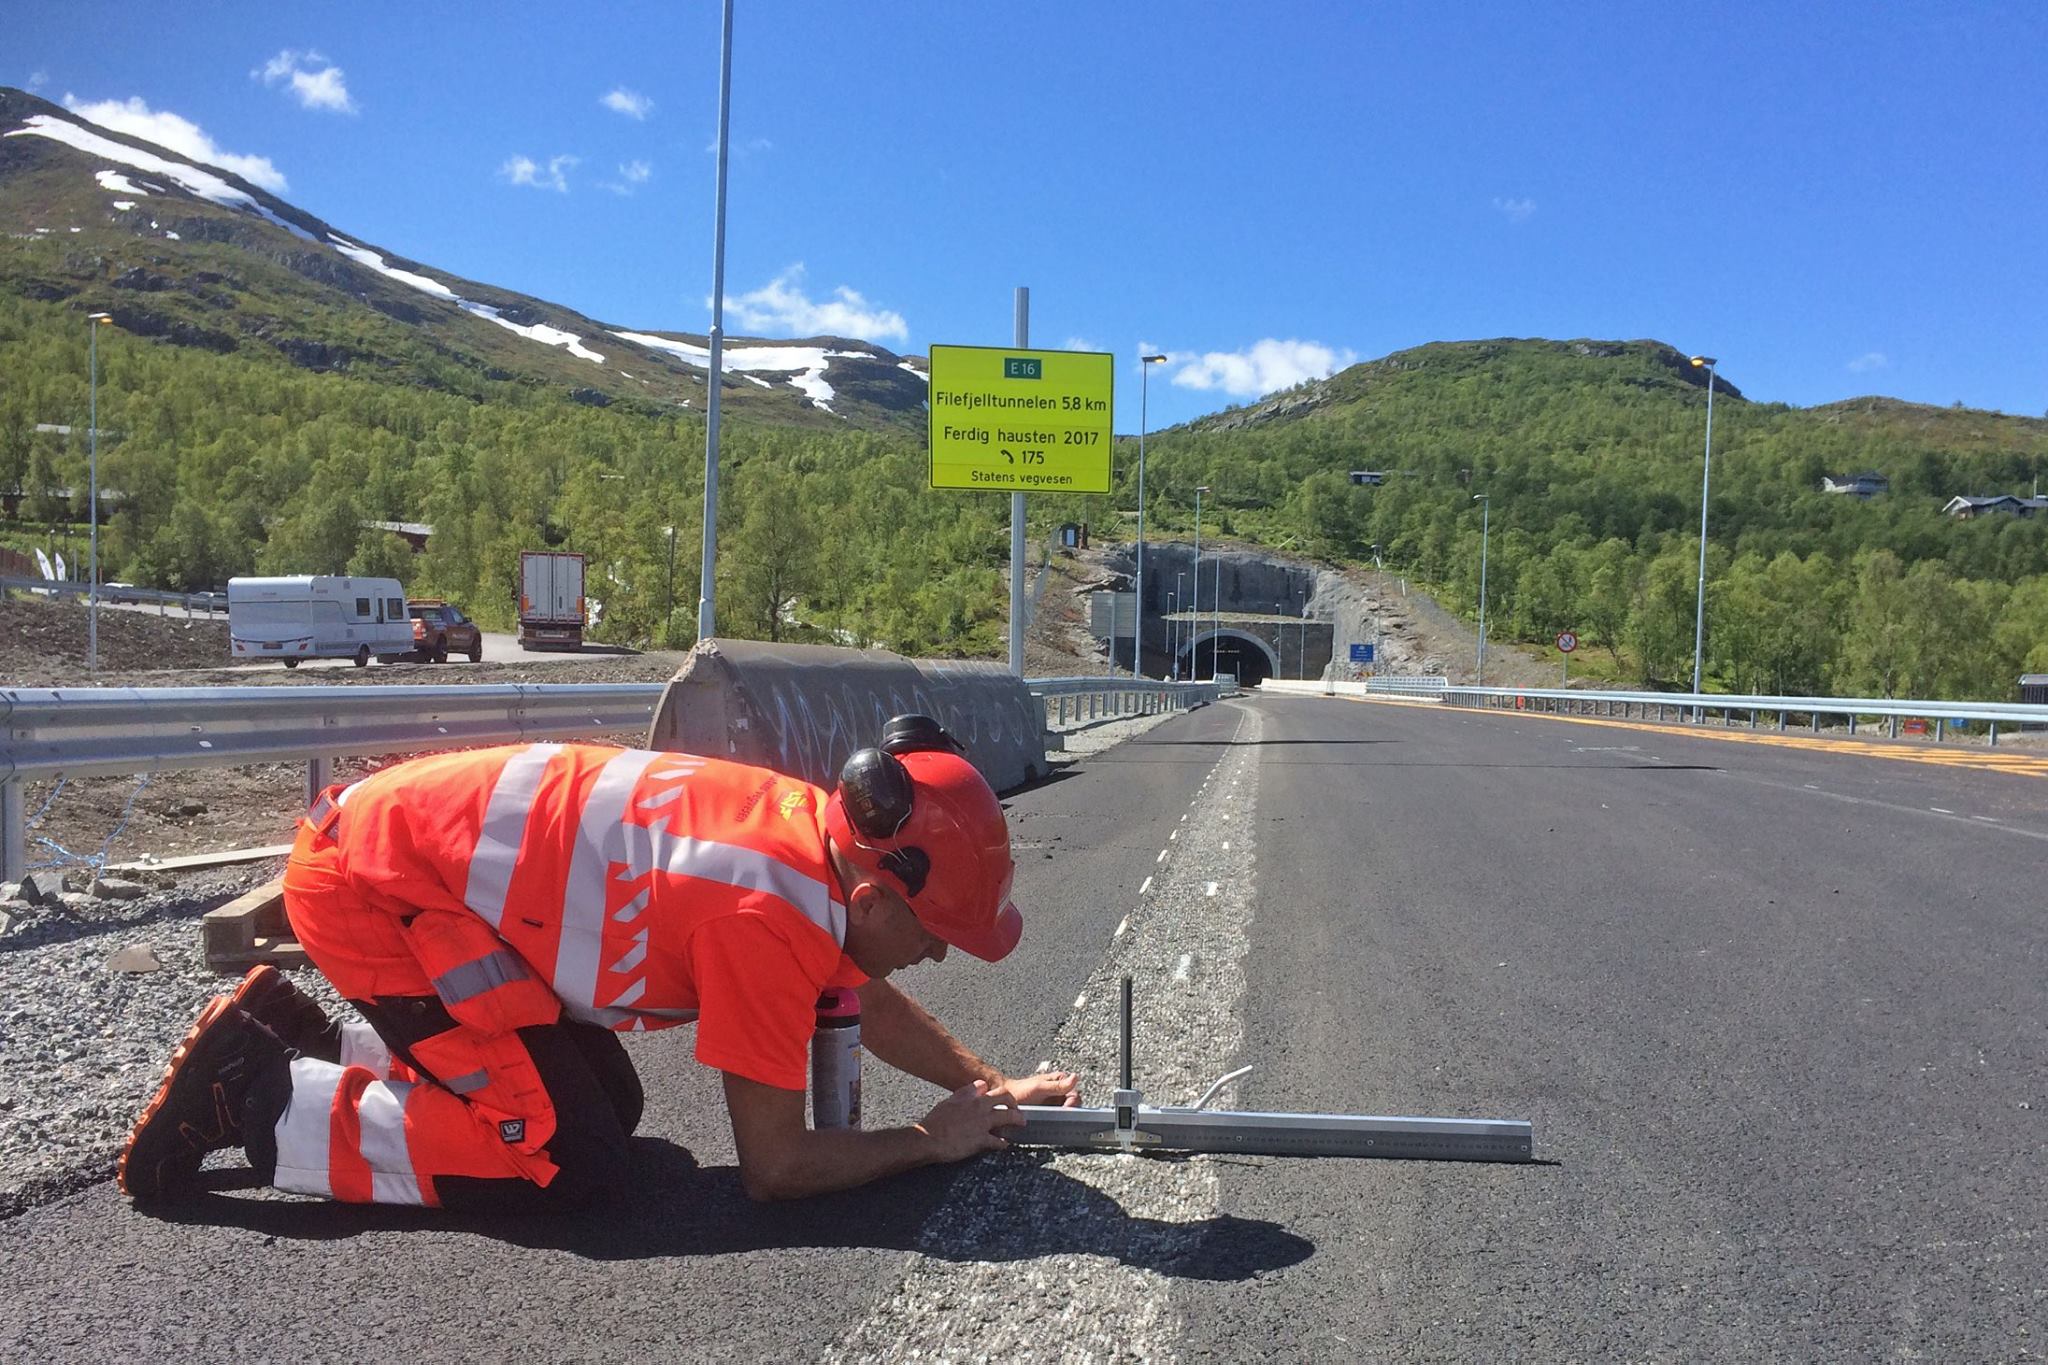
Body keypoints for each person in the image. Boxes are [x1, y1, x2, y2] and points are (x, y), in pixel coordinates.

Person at [119, 715, 1080, 1210]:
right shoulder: (766, 919)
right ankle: (260, 1096)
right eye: (934, 932)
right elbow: (777, 1168)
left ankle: (317, 1037)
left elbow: (857, 989)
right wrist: (931, 1135)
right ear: (872, 897)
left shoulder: (812, 833)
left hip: (415, 870)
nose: (938, 950)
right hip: (377, 893)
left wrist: (990, 1086)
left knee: (611, 1111)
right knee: (562, 1158)